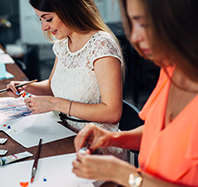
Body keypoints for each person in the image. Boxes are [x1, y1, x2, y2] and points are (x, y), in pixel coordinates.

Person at [72, 0, 198, 186]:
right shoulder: (172, 69)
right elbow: (161, 137)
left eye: (144, 24)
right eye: (132, 23)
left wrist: (124, 175)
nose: (134, 36)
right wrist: (112, 138)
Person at [7, 0, 127, 159]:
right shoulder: (64, 43)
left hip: (95, 146)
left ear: (68, 9)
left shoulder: (101, 45)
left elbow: (112, 113)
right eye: (40, 19)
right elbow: (52, 86)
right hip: (62, 133)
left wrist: (55, 103)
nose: (44, 27)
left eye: (48, 19)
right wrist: (26, 87)